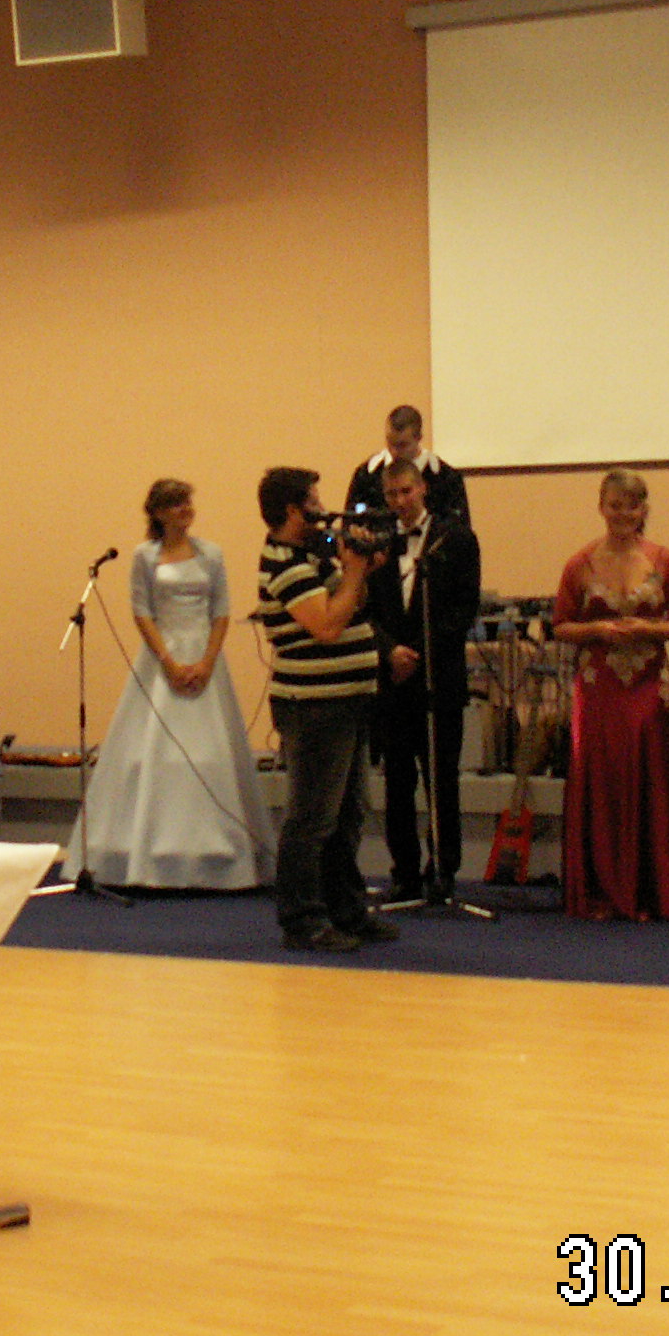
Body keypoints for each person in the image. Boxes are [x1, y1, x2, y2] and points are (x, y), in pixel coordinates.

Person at [77, 479, 273, 889]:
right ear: (159, 512)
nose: (186, 509)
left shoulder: (211, 553)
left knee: (211, 752)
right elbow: (141, 611)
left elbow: (221, 610)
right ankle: (151, 857)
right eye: (177, 503)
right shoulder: (144, 556)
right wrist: (168, 661)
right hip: (162, 659)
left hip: (205, 658)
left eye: (188, 502)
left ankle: (218, 857)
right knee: (154, 752)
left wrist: (206, 661)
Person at [255, 467, 396, 953]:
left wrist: (361, 568)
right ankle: (301, 920)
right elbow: (328, 626)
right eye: (313, 500)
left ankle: (345, 910)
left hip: (345, 700)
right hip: (314, 706)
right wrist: (353, 571)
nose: (322, 507)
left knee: (348, 814)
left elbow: (351, 603)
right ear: (292, 509)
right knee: (312, 818)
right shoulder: (284, 564)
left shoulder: (312, 556)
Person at [552, 468, 669, 922]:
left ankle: (651, 893)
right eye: (614, 506)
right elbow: (560, 625)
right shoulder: (579, 563)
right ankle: (599, 890)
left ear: (643, 510)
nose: (622, 515)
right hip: (599, 689)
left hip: (650, 688)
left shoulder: (664, 560)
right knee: (601, 780)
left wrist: (649, 630)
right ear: (601, 507)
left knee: (651, 779)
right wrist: (596, 629)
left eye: (631, 507)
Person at [371, 458, 483, 904]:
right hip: (392, 682)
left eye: (406, 491)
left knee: (441, 780)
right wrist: (389, 652)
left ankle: (444, 870)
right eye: (392, 494)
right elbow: (365, 609)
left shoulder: (455, 539)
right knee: (397, 782)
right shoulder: (376, 541)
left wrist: (416, 653)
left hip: (439, 679)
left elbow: (464, 608)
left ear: (423, 490)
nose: (400, 501)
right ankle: (404, 872)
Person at [347, 404, 470, 530]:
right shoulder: (367, 475)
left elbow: (461, 532)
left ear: (419, 438)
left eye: (402, 445)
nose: (394, 452)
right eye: (390, 443)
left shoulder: (445, 478)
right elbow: (349, 525)